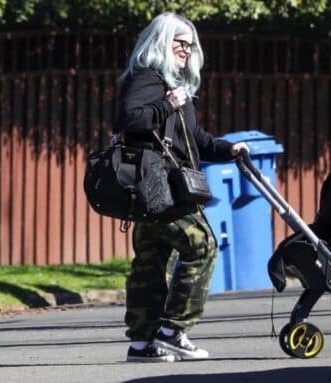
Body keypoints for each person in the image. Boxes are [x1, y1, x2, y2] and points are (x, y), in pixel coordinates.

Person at [117, 12, 248, 362]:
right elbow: (129, 119)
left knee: (150, 260)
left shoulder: (172, 85)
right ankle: (173, 330)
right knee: (201, 245)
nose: (187, 50)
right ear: (161, 41)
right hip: (158, 186)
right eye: (180, 42)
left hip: (156, 188)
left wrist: (227, 149)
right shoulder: (147, 78)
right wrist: (167, 104)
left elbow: (197, 141)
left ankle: (143, 344)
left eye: (191, 45)